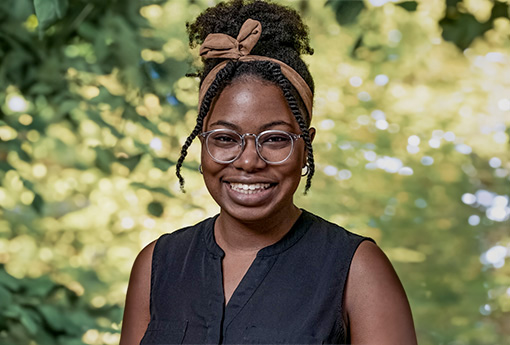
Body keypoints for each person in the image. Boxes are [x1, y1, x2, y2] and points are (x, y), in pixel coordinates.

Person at [120, 0, 417, 344]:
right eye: (225, 138)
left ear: (306, 146)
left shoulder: (357, 269)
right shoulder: (158, 265)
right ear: (201, 144)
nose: (248, 161)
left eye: (275, 138)